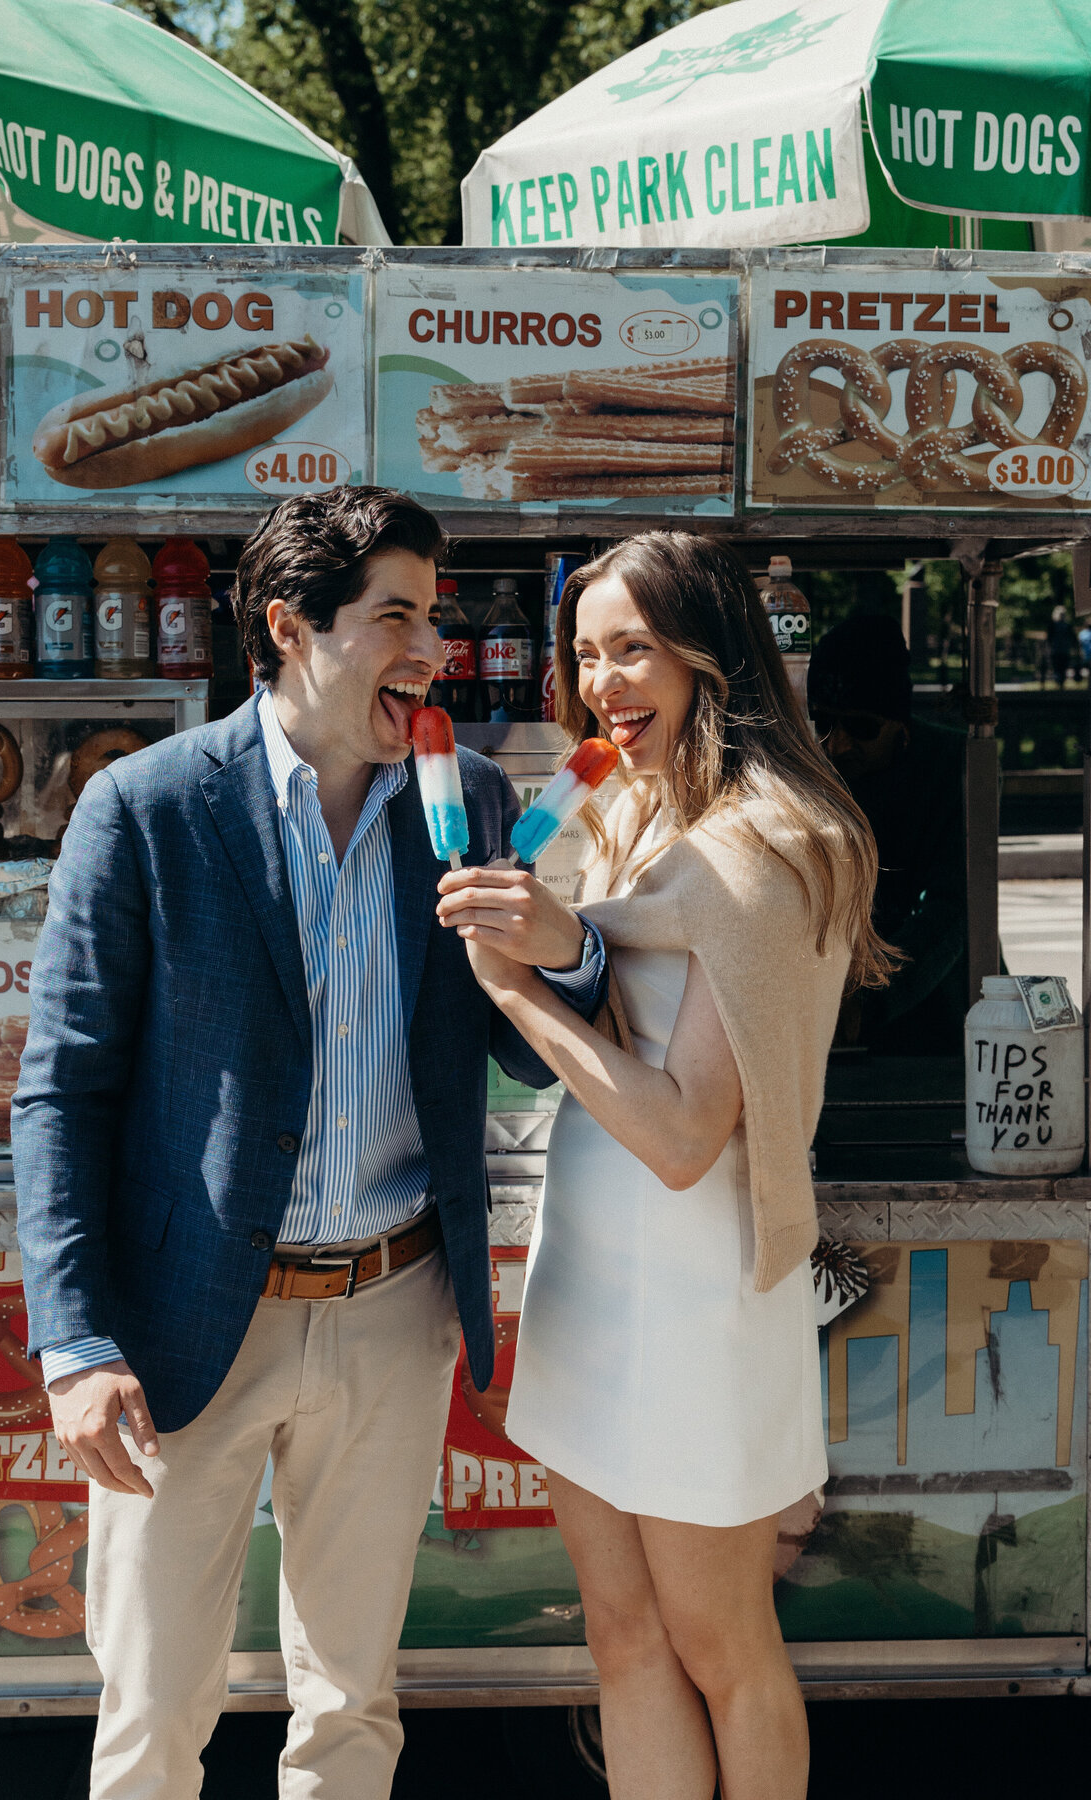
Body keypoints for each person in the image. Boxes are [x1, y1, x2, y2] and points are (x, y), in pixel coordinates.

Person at [11, 487, 607, 1800]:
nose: (432, 649)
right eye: (397, 615)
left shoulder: (476, 799)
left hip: (395, 1304)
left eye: (435, 618)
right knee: (157, 1705)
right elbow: (63, 1090)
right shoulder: (150, 807)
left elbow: (523, 1050)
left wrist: (565, 950)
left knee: (351, 1703)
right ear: (290, 626)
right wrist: (75, 1343)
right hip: (185, 1322)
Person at [435, 533, 891, 1800]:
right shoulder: (627, 812)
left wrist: (519, 991)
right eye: (586, 655)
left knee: (725, 1647)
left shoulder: (762, 849)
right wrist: (545, 919)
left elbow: (689, 1136)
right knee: (621, 1638)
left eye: (634, 647)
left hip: (694, 1294)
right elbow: (592, 950)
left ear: (712, 651)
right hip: (592, 1266)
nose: (603, 684)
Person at [807, 612, 967, 1055]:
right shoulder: (809, 761)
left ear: (901, 724)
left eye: (861, 727)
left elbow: (953, 906)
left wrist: (873, 1003)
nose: (837, 745)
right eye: (824, 723)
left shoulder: (952, 764)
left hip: (934, 1001)